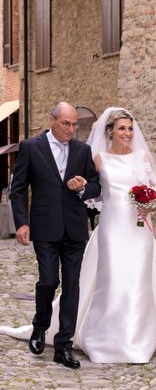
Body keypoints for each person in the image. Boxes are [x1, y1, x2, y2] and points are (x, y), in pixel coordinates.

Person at [1, 108, 156, 364]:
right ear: (110, 131)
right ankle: (69, 329)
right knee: (80, 279)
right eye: (122, 128)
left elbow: (149, 190)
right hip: (108, 226)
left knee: (131, 280)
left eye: (130, 128)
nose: (127, 133)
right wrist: (25, 222)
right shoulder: (95, 157)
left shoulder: (135, 156)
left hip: (135, 228)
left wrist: (147, 203)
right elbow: (92, 190)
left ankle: (127, 338)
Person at [5, 102, 101, 369]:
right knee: (48, 280)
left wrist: (83, 188)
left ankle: (63, 345)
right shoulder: (31, 147)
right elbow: (19, 188)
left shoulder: (83, 151)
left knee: (72, 285)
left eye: (74, 125)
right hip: (44, 227)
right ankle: (40, 326)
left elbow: (95, 186)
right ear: (52, 121)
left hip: (74, 228)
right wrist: (22, 223)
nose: (71, 129)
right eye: (66, 124)